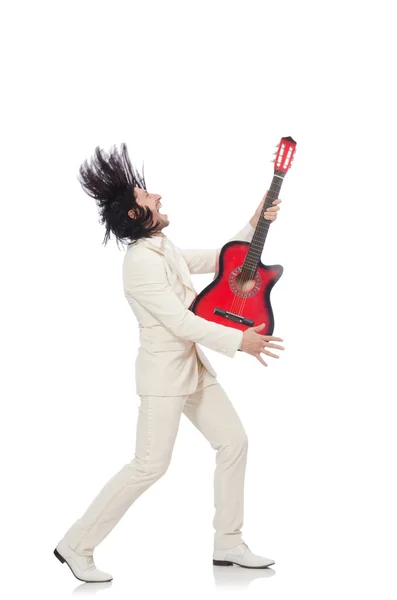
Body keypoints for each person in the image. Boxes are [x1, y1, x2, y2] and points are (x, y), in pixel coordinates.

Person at [53, 143, 285, 583]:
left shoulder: (161, 246)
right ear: (137, 215)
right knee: (149, 466)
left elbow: (221, 261)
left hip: (193, 371)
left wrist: (256, 219)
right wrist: (242, 341)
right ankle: (77, 544)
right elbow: (181, 322)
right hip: (163, 379)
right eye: (147, 197)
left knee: (233, 441)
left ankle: (228, 542)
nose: (157, 196)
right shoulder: (140, 263)